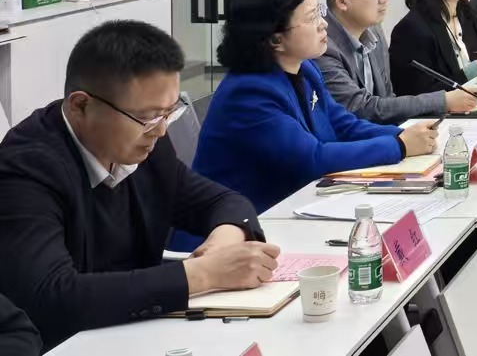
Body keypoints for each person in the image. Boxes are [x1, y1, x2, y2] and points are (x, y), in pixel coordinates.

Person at [0, 21, 277, 349]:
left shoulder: (144, 143)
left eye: (168, 113)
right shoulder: (26, 170)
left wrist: (225, 239)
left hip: (140, 334)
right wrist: (202, 274)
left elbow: (221, 201)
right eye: (148, 117)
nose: (160, 131)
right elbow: (53, 297)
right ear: (80, 105)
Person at [195, 0, 440, 213]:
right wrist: (399, 146)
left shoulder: (306, 68)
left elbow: (343, 126)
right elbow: (312, 159)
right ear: (275, 39)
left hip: (294, 206)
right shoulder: (248, 93)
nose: (324, 24)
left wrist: (404, 134)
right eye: (312, 17)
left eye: (319, 11)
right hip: (241, 224)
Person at [317, 0, 477, 124]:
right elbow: (361, 108)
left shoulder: (374, 30)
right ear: (342, 1)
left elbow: (387, 96)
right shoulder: (323, 47)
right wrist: (444, 101)